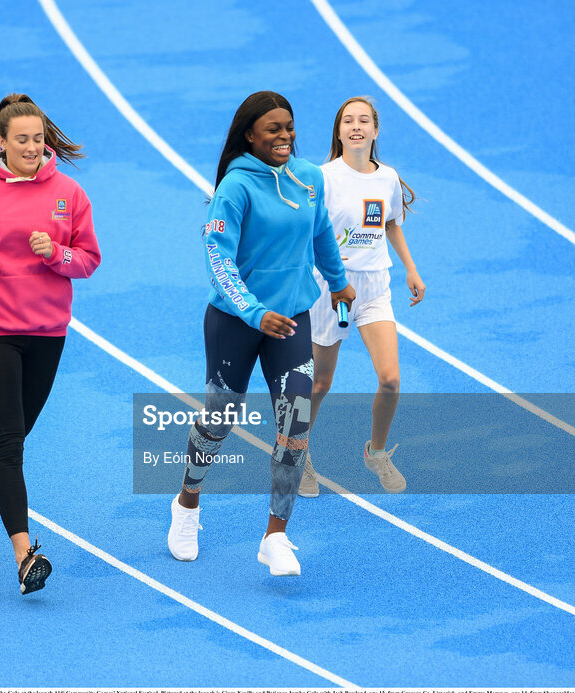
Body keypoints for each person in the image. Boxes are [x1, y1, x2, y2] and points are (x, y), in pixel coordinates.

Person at [166, 91, 357, 577]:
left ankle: (276, 535)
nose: (285, 137)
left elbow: (319, 237)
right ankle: (187, 503)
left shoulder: (309, 178)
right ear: (249, 134)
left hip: (291, 321)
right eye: (273, 129)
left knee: (295, 428)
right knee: (220, 419)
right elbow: (218, 260)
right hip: (235, 321)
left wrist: (338, 284)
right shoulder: (235, 188)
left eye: (289, 127)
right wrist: (253, 311)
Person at [0, 93, 101, 595]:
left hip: (48, 332)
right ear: (1, 141)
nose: (32, 147)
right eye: (21, 139)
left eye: (37, 139)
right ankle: (25, 554)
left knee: (20, 430)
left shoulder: (69, 193)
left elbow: (89, 259)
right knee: (9, 446)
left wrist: (58, 253)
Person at [299, 96, 425, 499]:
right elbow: (304, 230)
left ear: (375, 130)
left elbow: (390, 223)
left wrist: (411, 268)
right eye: (348, 121)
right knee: (319, 383)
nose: (356, 126)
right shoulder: (322, 177)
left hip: (374, 288)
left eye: (364, 120)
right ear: (338, 131)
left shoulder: (386, 177)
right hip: (332, 289)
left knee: (390, 379)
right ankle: (297, 453)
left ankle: (376, 452)